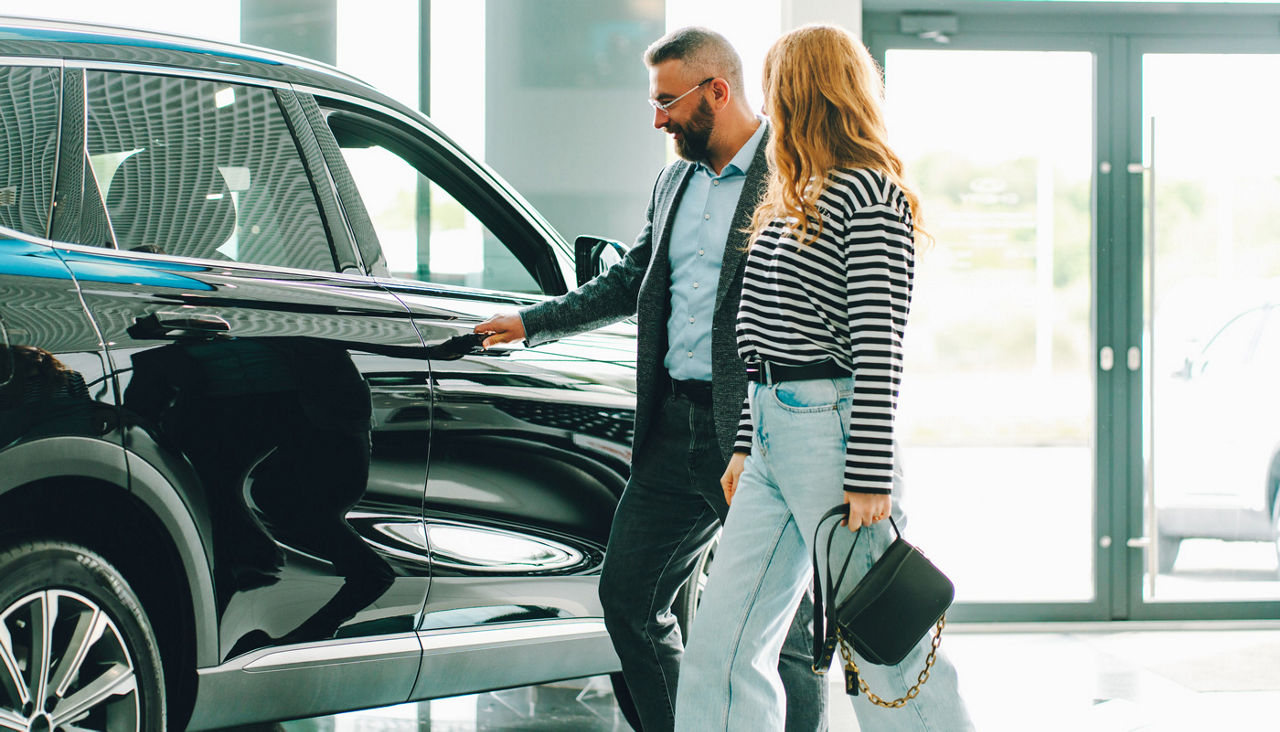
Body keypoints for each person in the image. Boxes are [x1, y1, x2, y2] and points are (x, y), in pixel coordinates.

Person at [474, 26, 826, 732]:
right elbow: (631, 281)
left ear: (717, 92)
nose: (657, 119)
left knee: (784, 628)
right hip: (670, 431)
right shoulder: (673, 183)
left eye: (667, 101)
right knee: (630, 600)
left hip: (752, 433)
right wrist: (532, 322)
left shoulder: (792, 176)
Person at [672, 25, 974, 731]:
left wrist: (869, 473)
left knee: (887, 646)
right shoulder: (790, 195)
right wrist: (745, 442)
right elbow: (760, 338)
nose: (766, 102)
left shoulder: (868, 192)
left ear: (805, 91)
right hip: (771, 430)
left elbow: (879, 346)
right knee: (721, 646)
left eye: (775, 85)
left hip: (833, 434)